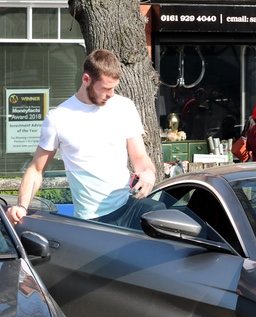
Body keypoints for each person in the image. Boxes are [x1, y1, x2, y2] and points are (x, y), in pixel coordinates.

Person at [7, 48, 160, 229]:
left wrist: (148, 172)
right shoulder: (59, 118)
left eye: (114, 88)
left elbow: (140, 159)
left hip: (128, 204)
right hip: (92, 219)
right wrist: (22, 206)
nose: (111, 94)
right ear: (86, 79)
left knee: (164, 215)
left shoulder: (124, 107)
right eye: (106, 88)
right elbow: (36, 169)